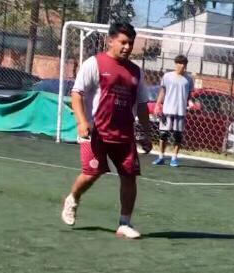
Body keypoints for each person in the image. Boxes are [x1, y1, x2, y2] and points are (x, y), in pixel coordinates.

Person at [60, 22, 153, 239]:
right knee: (93, 173)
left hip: (124, 135)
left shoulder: (136, 72)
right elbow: (77, 93)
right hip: (96, 133)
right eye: (123, 42)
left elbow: (142, 105)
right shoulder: (94, 63)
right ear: (110, 41)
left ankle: (124, 223)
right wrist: (81, 122)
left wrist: (146, 134)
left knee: (129, 177)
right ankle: (72, 199)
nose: (127, 47)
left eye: (131, 43)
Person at [152, 54, 194, 167]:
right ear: (175, 64)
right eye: (179, 63)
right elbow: (162, 91)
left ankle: (174, 158)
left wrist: (190, 102)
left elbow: (189, 95)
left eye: (184, 64)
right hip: (167, 110)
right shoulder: (167, 76)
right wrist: (157, 105)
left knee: (177, 136)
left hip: (180, 112)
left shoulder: (189, 79)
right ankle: (161, 157)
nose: (182, 66)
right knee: (163, 134)